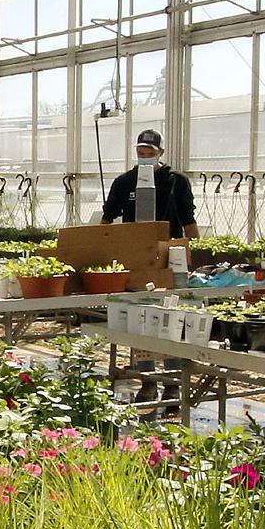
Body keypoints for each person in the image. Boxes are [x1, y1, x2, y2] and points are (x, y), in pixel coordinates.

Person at [100, 129, 200, 406]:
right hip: (135, 262)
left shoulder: (175, 182)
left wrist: (194, 256)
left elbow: (189, 222)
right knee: (141, 320)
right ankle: (147, 381)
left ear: (161, 153)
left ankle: (172, 382)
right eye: (140, 153)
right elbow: (107, 220)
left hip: (170, 261)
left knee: (171, 320)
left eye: (150, 153)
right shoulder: (124, 183)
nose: (144, 157)